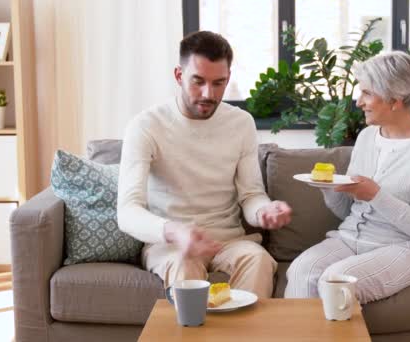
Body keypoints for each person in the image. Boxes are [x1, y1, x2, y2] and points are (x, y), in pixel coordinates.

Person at [117, 31, 292, 298]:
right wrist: (175, 232)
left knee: (259, 260)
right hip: (173, 246)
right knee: (183, 266)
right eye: (197, 82)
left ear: (228, 78)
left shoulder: (241, 123)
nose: (208, 94)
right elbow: (127, 211)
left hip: (229, 241)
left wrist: (263, 211)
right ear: (179, 75)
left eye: (218, 83)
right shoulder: (146, 126)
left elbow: (250, 195)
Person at [284, 51, 410, 304]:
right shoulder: (367, 137)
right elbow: (349, 213)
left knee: (336, 282)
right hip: (350, 238)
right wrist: (329, 188)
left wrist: (376, 195)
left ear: (395, 100)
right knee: (302, 270)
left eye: (367, 93)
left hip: (405, 248)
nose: (358, 101)